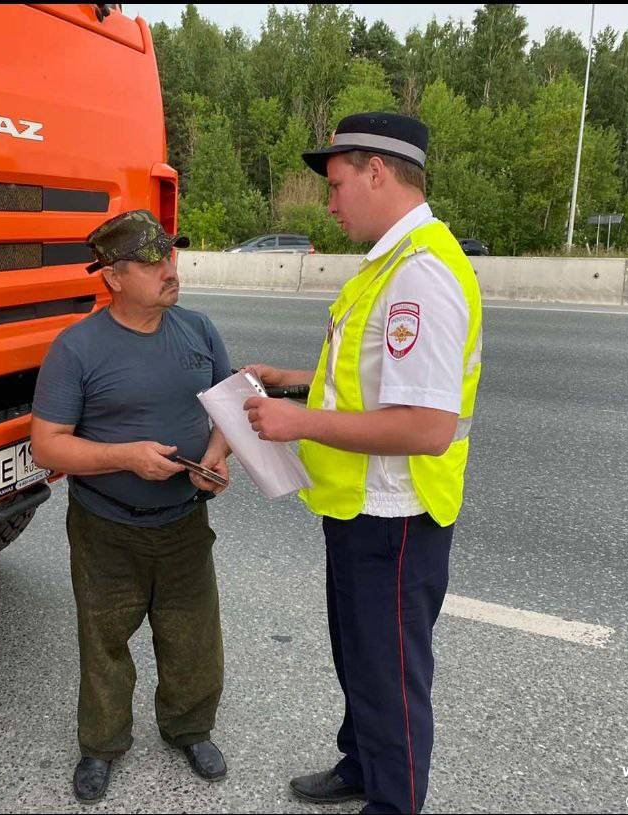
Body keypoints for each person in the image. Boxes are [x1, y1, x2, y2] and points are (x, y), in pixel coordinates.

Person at [243, 112, 483, 814]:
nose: (330, 200)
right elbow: (367, 383)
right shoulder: (386, 265)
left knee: (390, 678)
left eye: (337, 182)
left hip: (395, 518)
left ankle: (393, 799)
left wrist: (298, 420)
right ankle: (361, 762)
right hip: (357, 507)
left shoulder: (421, 276)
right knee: (359, 659)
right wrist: (290, 380)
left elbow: (428, 425)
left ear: (378, 171)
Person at [30, 209, 232, 804]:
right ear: (113, 278)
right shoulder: (77, 348)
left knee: (193, 636)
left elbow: (227, 408)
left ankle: (190, 729)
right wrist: (126, 458)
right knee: (104, 640)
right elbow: (47, 445)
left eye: (171, 255)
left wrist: (217, 458)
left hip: (184, 522)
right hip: (106, 528)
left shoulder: (198, 329)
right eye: (153, 261)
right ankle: (101, 745)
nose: (171, 269)